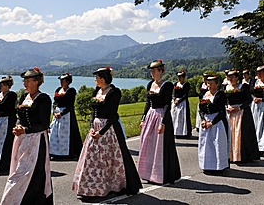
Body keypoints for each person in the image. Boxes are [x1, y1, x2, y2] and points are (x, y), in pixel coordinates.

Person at [72, 67, 142, 198]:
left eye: (97, 78)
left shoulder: (114, 92)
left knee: (109, 159)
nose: (95, 80)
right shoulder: (97, 91)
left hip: (109, 129)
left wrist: (102, 132)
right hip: (96, 128)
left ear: (102, 79)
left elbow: (113, 116)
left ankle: (110, 186)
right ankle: (90, 187)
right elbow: (93, 111)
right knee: (92, 159)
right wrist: (92, 127)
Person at [0, 67, 53, 205]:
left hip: (37, 140)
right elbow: (20, 116)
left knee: (30, 172)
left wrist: (26, 130)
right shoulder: (24, 97)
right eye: (24, 81)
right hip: (22, 139)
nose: (24, 83)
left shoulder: (43, 99)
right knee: (19, 170)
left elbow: (44, 124)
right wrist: (18, 125)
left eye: (28, 80)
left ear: (36, 82)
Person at [138, 59, 181, 184]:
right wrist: (143, 118)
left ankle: (163, 175)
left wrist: (163, 122)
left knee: (161, 146)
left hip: (161, 115)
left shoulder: (167, 85)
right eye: (151, 71)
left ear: (161, 71)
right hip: (151, 115)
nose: (152, 73)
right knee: (148, 144)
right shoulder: (150, 84)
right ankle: (147, 173)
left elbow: (168, 105)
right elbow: (148, 103)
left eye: (154, 70)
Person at [224, 70, 259, 163]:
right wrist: (227, 107)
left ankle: (242, 156)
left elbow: (248, 100)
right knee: (230, 133)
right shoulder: (225, 87)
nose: (230, 79)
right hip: (230, 113)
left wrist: (239, 108)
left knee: (242, 134)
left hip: (241, 113)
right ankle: (230, 155)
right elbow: (224, 100)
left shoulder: (243, 87)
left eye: (232, 77)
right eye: (229, 77)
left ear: (237, 78)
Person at [198, 76, 229, 173]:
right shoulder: (205, 94)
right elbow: (201, 110)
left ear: (216, 84)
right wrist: (203, 120)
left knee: (217, 144)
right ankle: (207, 165)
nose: (209, 86)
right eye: (208, 83)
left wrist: (212, 122)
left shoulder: (219, 95)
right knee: (206, 144)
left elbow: (222, 112)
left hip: (217, 122)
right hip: (206, 121)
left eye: (211, 83)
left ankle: (219, 167)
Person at [49, 73, 82, 160]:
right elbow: (55, 102)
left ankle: (68, 153)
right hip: (57, 113)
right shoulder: (58, 89)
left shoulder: (71, 91)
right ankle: (54, 152)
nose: (61, 82)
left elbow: (70, 105)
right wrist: (54, 111)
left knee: (66, 134)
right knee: (54, 133)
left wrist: (62, 113)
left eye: (63, 81)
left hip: (67, 114)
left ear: (68, 82)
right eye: (60, 81)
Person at [171, 69, 192, 138]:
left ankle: (185, 133)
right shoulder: (175, 84)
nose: (179, 78)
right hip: (175, 102)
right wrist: (174, 99)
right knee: (175, 117)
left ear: (184, 77)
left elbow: (185, 95)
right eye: (178, 77)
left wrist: (179, 101)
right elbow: (173, 93)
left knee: (183, 117)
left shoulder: (186, 85)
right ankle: (176, 132)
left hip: (183, 102)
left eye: (181, 77)